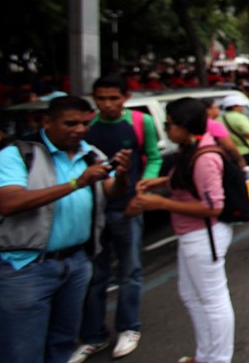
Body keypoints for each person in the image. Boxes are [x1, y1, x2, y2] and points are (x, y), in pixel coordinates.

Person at [0, 96, 130, 363]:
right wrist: (75, 184)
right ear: (47, 122)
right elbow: (9, 203)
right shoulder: (17, 154)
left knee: (63, 344)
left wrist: (122, 175)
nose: (80, 130)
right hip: (27, 267)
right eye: (70, 124)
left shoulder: (90, 154)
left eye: (84, 123)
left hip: (76, 263)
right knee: (22, 349)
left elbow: (112, 191)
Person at [130, 98, 235, 363]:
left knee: (213, 301)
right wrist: (162, 183)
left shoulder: (205, 157)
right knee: (192, 296)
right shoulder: (192, 149)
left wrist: (161, 203)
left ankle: (219, 359)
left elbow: (213, 207)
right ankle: (205, 355)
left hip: (203, 236)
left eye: (169, 124)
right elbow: (188, 181)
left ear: (185, 125)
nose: (166, 130)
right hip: (193, 235)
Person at [72, 75, 163, 363]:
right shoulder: (86, 126)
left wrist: (142, 189)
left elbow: (153, 157)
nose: (108, 104)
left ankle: (128, 327)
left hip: (127, 208)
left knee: (130, 271)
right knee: (94, 274)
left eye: (114, 98)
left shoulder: (140, 122)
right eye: (101, 99)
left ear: (125, 98)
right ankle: (93, 335)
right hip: (93, 211)